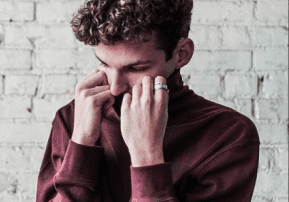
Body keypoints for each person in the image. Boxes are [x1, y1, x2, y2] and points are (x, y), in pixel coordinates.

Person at [36, 0, 260, 201]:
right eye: (104, 64)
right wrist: (82, 143)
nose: (115, 87)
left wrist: (148, 157)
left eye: (135, 68)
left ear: (181, 54)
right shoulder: (73, 117)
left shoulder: (229, 135)